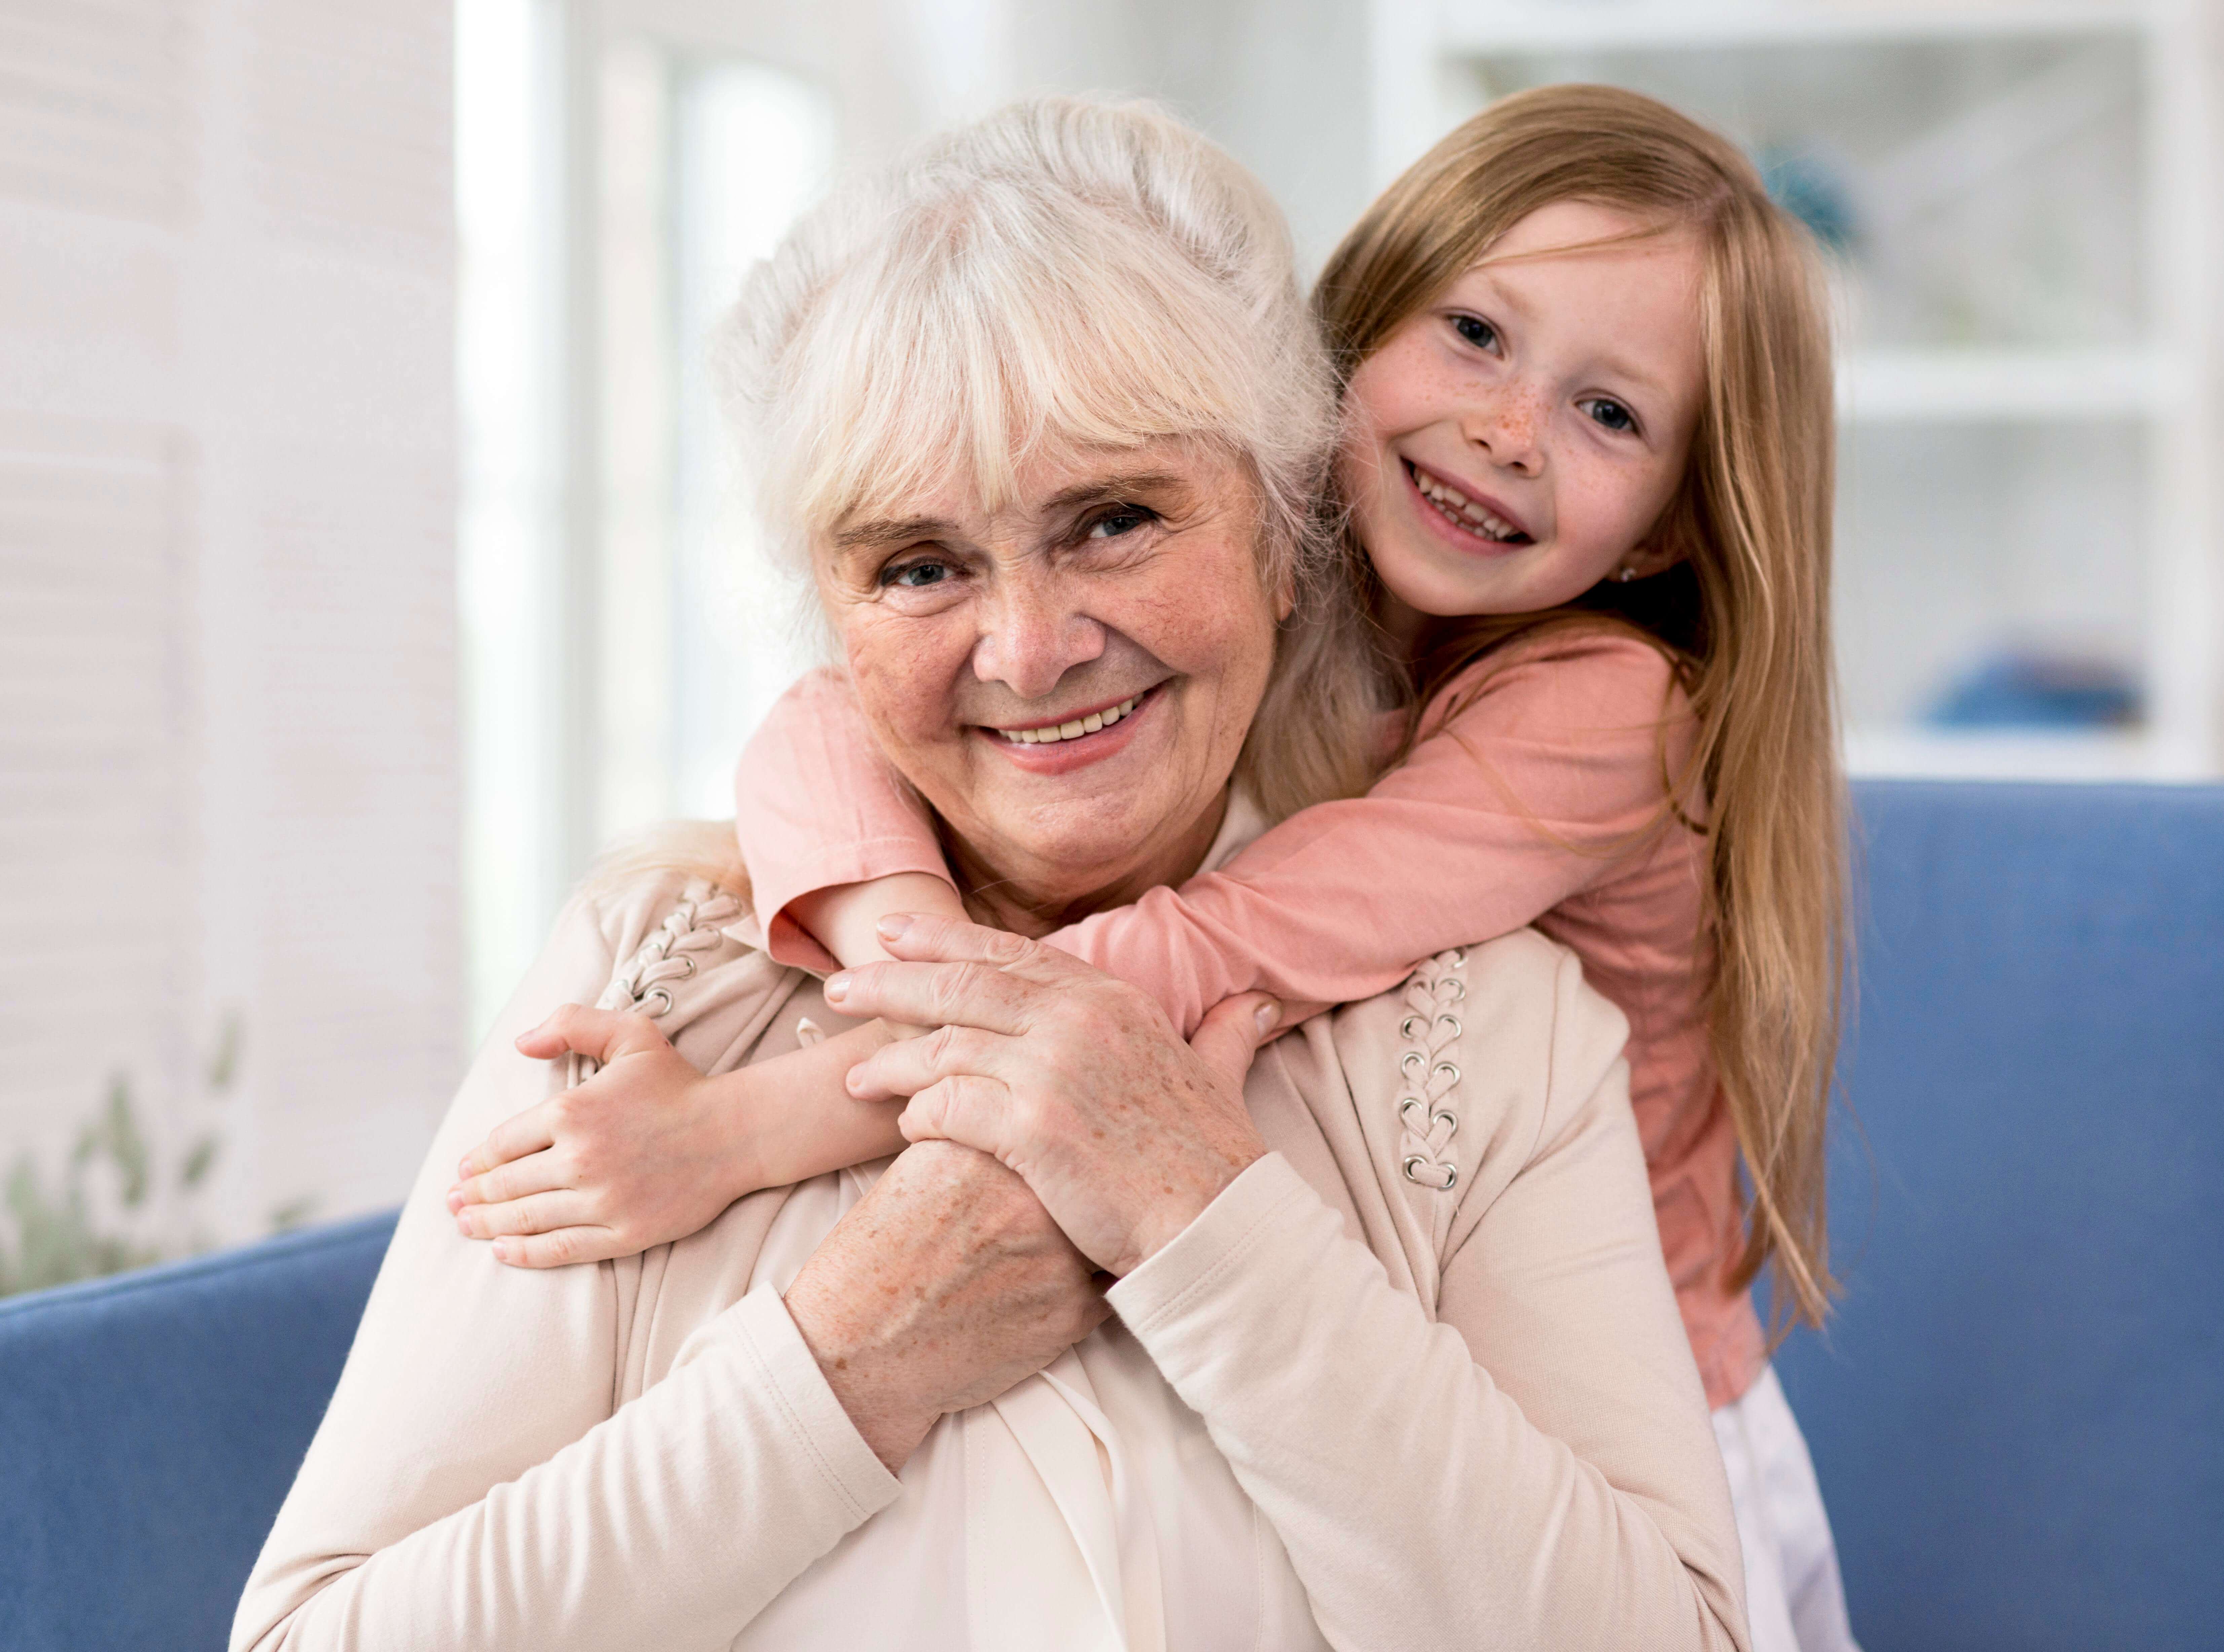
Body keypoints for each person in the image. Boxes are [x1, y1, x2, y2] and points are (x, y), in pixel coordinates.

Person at [233, 98, 1748, 1652]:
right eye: (918, 565)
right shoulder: (648, 973)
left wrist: (1205, 1218)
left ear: (1290, 537)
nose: (1028, 649)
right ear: (834, 621)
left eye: (1115, 520)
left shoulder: (1492, 1021)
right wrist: (854, 1352)